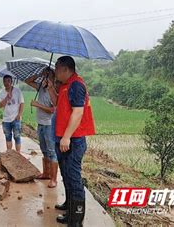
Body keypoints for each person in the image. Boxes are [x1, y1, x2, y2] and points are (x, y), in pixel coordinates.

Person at [53, 56, 95, 227]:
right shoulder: (66, 85)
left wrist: (66, 136)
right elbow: (59, 105)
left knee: (74, 178)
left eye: (57, 68)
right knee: (67, 175)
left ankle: (76, 220)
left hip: (73, 140)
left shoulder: (77, 85)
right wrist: (50, 88)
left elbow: (77, 112)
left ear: (65, 69)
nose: (55, 71)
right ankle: (70, 209)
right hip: (64, 139)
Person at [25, 67, 59, 188]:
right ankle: (46, 173)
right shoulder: (40, 87)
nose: (45, 78)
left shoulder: (52, 91)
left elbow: (52, 110)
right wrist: (40, 73)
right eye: (45, 76)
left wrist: (37, 104)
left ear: (53, 78)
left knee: (51, 151)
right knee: (44, 150)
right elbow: (27, 81)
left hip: (49, 125)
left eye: (48, 76)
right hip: (40, 123)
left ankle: (54, 179)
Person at [0, 75, 24, 152]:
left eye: (8, 81)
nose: (7, 83)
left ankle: (18, 155)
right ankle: (9, 154)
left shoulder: (17, 91)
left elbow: (22, 103)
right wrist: (6, 98)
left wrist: (19, 114)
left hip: (16, 118)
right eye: (5, 81)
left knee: (17, 136)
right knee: (8, 137)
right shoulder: (1, 92)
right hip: (6, 119)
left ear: (11, 82)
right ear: (3, 82)